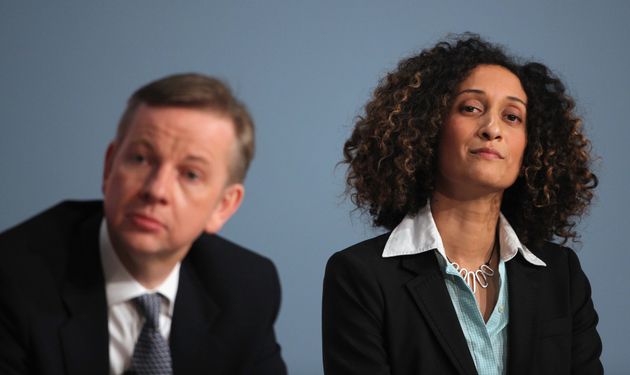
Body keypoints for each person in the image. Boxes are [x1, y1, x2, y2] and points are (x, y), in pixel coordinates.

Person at [323, 34, 603, 375]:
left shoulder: (562, 274)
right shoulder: (360, 276)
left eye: (512, 116)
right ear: (427, 127)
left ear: (532, 146)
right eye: (471, 108)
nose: (492, 129)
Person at [0, 73, 287, 375]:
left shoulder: (245, 287)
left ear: (223, 206)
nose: (156, 190)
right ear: (109, 166)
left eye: (190, 174)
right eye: (140, 159)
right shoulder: (13, 279)